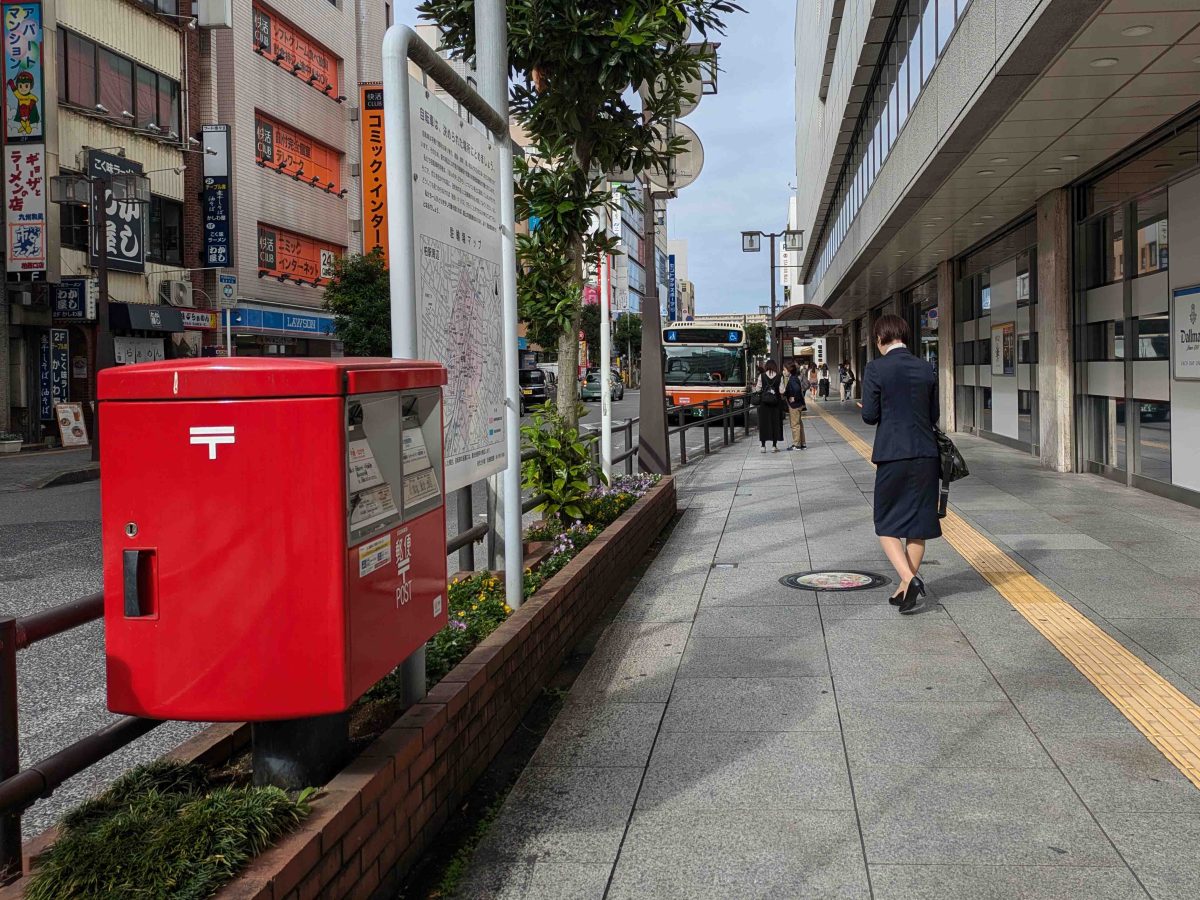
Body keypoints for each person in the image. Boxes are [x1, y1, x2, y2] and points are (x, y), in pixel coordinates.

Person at [861, 315, 940, 614]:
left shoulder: (876, 368)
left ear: (880, 338)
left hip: (893, 453)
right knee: (917, 524)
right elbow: (933, 414)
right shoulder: (925, 367)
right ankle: (904, 589)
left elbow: (870, 415)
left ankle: (910, 579)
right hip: (925, 453)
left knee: (886, 522)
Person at [756, 360, 785, 452]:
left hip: (764, 404)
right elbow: (782, 391)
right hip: (776, 403)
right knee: (775, 423)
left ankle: (763, 446)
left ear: (766, 366)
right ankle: (774, 446)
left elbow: (757, 389)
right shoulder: (779, 376)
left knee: (764, 424)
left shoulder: (762, 376)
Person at [784, 362, 807, 450]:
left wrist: (794, 398)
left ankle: (796, 444)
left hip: (795, 405)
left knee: (795, 424)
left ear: (789, 371)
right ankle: (802, 443)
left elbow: (797, 389)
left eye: (785, 370)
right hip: (799, 404)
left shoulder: (792, 379)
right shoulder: (795, 378)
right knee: (799, 424)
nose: (784, 371)